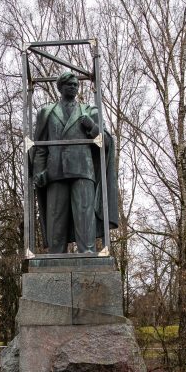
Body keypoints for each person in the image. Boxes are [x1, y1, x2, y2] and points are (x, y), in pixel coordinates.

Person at [31, 71, 118, 254]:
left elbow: (107, 143)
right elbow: (40, 147)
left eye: (76, 84)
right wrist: (39, 172)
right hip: (55, 173)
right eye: (69, 84)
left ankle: (87, 253)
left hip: (83, 171)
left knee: (84, 215)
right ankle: (56, 255)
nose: (73, 87)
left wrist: (92, 127)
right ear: (60, 87)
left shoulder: (90, 111)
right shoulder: (47, 112)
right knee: (56, 218)